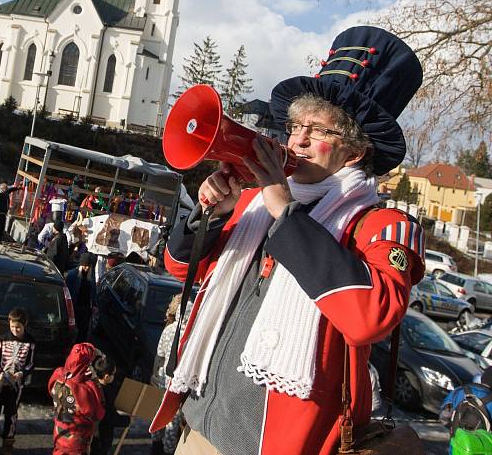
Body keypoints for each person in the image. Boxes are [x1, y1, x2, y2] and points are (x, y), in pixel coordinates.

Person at [150, 27, 426, 455]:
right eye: (295, 126)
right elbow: (178, 268)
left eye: (315, 131)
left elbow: (371, 317)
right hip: (199, 430)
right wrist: (210, 215)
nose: (295, 140)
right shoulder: (254, 205)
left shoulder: (383, 225)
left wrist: (287, 214)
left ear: (353, 152)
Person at [49, 342, 105, 455]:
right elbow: (98, 413)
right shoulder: (87, 388)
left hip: (59, 431)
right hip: (77, 438)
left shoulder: (58, 374)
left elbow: (50, 389)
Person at [0, 307, 36, 454]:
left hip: (17, 384)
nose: (15, 330)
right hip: (0, 382)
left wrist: (21, 373)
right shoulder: (2, 338)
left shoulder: (30, 342)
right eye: (12, 327)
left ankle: (8, 442)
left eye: (18, 327)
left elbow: (31, 362)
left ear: (25, 325)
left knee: (11, 413)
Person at [150, 294, 189, 455]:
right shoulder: (191, 335)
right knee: (173, 420)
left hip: (164, 380)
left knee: (159, 413)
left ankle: (155, 446)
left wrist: (154, 375)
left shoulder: (169, 330)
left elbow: (159, 356)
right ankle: (168, 450)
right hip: (180, 384)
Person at [90, 355, 122, 455]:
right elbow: (110, 416)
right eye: (113, 374)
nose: (115, 376)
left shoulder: (91, 385)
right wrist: (126, 421)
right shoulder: (106, 393)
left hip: (91, 433)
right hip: (102, 435)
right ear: (106, 377)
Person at [65, 252, 97, 341]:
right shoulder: (72, 275)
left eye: (88, 266)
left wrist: (94, 304)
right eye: (84, 266)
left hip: (86, 307)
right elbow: (69, 291)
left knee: (83, 330)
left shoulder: (91, 276)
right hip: (75, 306)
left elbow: (93, 291)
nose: (86, 268)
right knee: (72, 330)